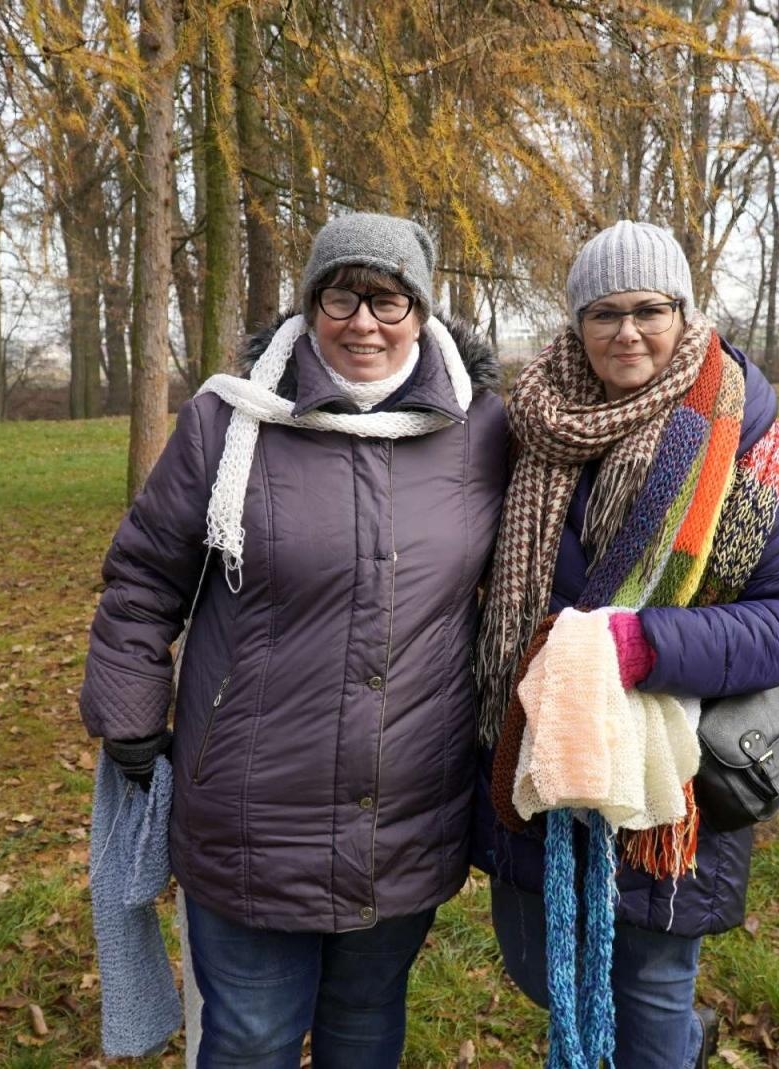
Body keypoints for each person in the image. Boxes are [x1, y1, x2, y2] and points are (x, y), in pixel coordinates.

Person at [79, 212, 508, 1068]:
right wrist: (129, 710)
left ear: (422, 313)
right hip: (252, 808)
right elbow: (141, 583)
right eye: (341, 295)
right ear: (310, 305)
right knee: (251, 1038)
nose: (364, 322)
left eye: (388, 300)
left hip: (408, 806)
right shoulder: (228, 423)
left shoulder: (481, 431)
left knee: (365, 1022)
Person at [472, 221, 779, 1069]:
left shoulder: (745, 444)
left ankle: (674, 1046)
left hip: (670, 780)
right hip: (538, 757)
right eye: (605, 313)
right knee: (540, 970)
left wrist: (641, 645)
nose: (627, 331)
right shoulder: (525, 429)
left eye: (649, 309)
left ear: (684, 311)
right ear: (576, 324)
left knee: (648, 997)